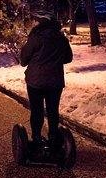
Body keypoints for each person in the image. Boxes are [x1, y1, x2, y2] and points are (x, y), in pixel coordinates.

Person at [21, 10, 73, 149]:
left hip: (35, 82)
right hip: (55, 81)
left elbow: (23, 60)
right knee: (52, 110)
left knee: (37, 110)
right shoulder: (61, 38)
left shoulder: (35, 38)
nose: (34, 23)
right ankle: (53, 138)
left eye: (36, 21)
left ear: (42, 22)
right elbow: (68, 58)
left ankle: (37, 138)